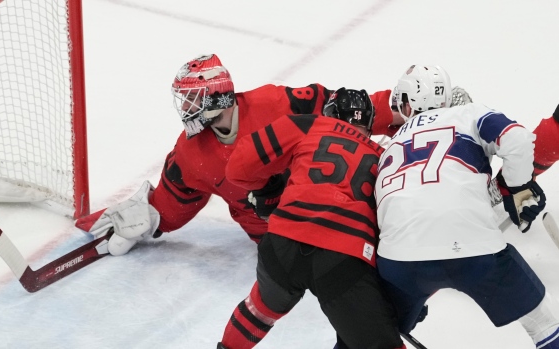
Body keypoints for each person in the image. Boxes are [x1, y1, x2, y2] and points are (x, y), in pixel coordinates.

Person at [74, 54, 404, 255]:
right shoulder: (191, 152)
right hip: (279, 242)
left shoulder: (275, 104)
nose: (185, 108)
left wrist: (405, 109)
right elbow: (176, 201)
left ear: (215, 96)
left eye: (191, 99)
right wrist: (149, 219)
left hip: (327, 213)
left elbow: (351, 109)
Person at [373, 65, 559, 348]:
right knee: (544, 325)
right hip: (474, 250)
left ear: (407, 103)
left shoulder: (389, 146)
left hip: (399, 260)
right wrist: (517, 188)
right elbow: (517, 139)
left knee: (372, 331)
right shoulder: (466, 114)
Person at [217, 88, 405, 349]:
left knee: (259, 311)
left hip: (283, 241)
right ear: (369, 124)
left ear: (329, 113)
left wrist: (269, 188)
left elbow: (238, 168)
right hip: (343, 257)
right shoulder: (386, 156)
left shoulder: (309, 124)